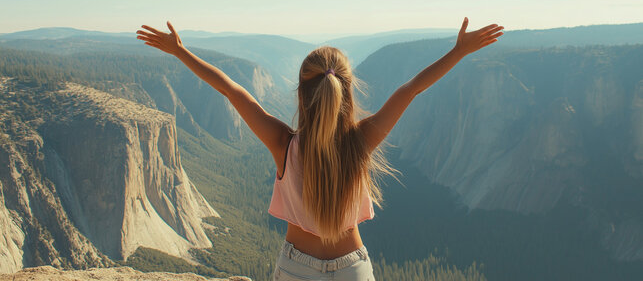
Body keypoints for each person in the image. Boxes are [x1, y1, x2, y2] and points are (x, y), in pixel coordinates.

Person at [136, 18, 504, 280]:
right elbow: (410, 90)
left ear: (301, 94)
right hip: (352, 269)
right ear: (347, 93)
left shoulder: (282, 144)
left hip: (297, 269)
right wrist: (459, 51)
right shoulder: (361, 142)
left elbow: (232, 91)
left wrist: (180, 51)